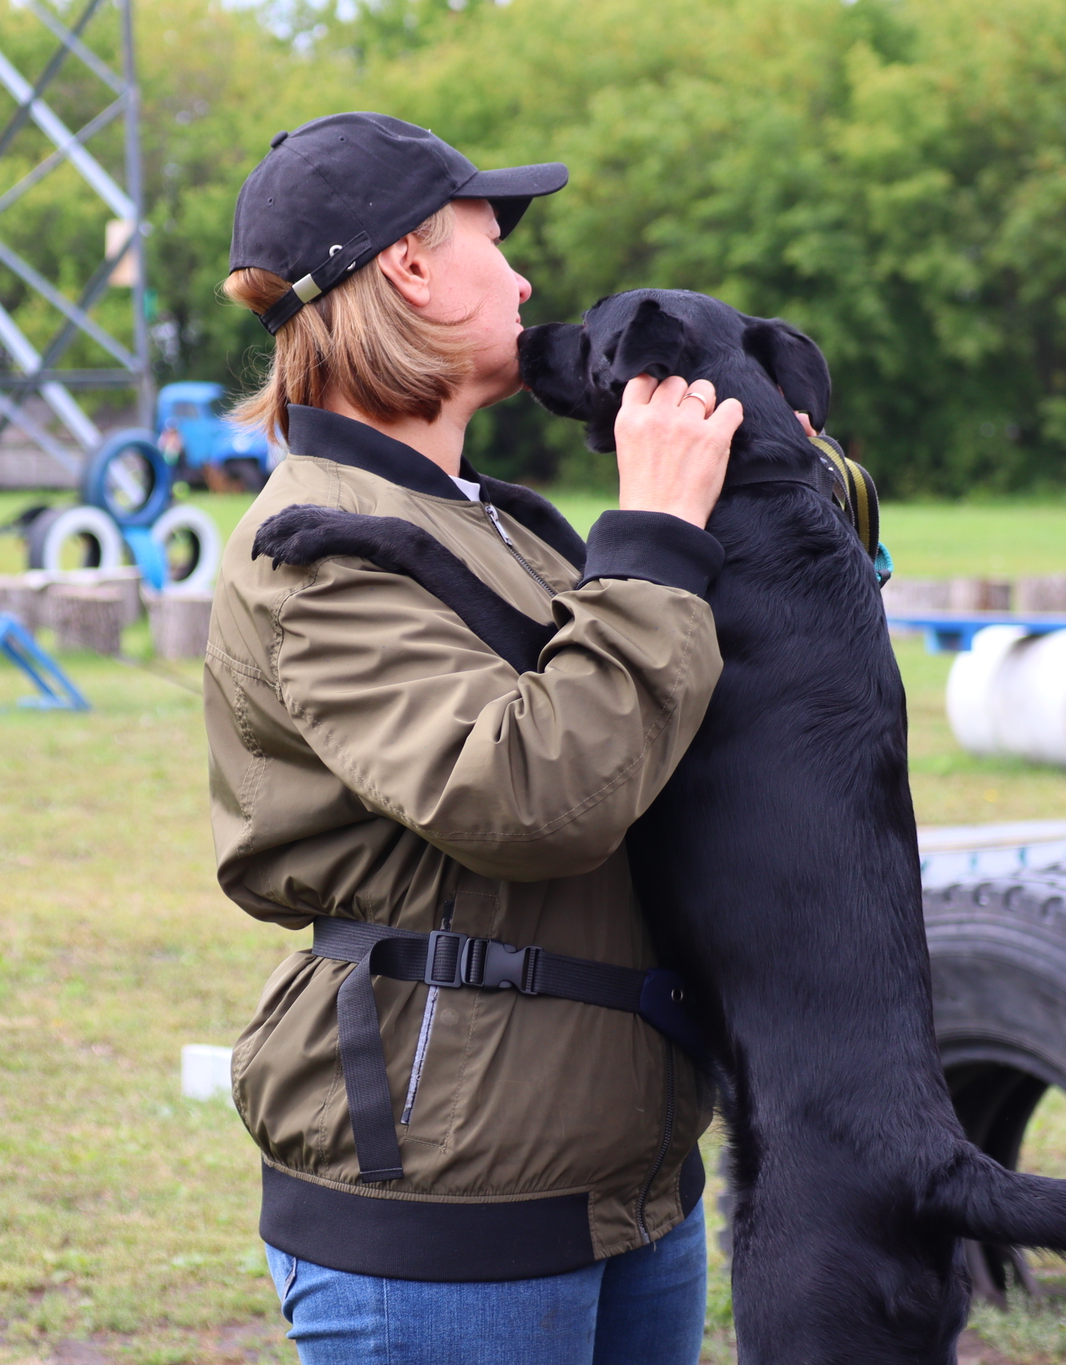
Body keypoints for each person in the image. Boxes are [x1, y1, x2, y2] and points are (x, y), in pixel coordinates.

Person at [205, 112, 742, 1365]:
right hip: (450, 1211)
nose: (522, 280)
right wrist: (657, 538)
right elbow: (533, 792)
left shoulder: (494, 521)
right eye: (490, 243)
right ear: (405, 266)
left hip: (628, 1182)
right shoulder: (320, 548)